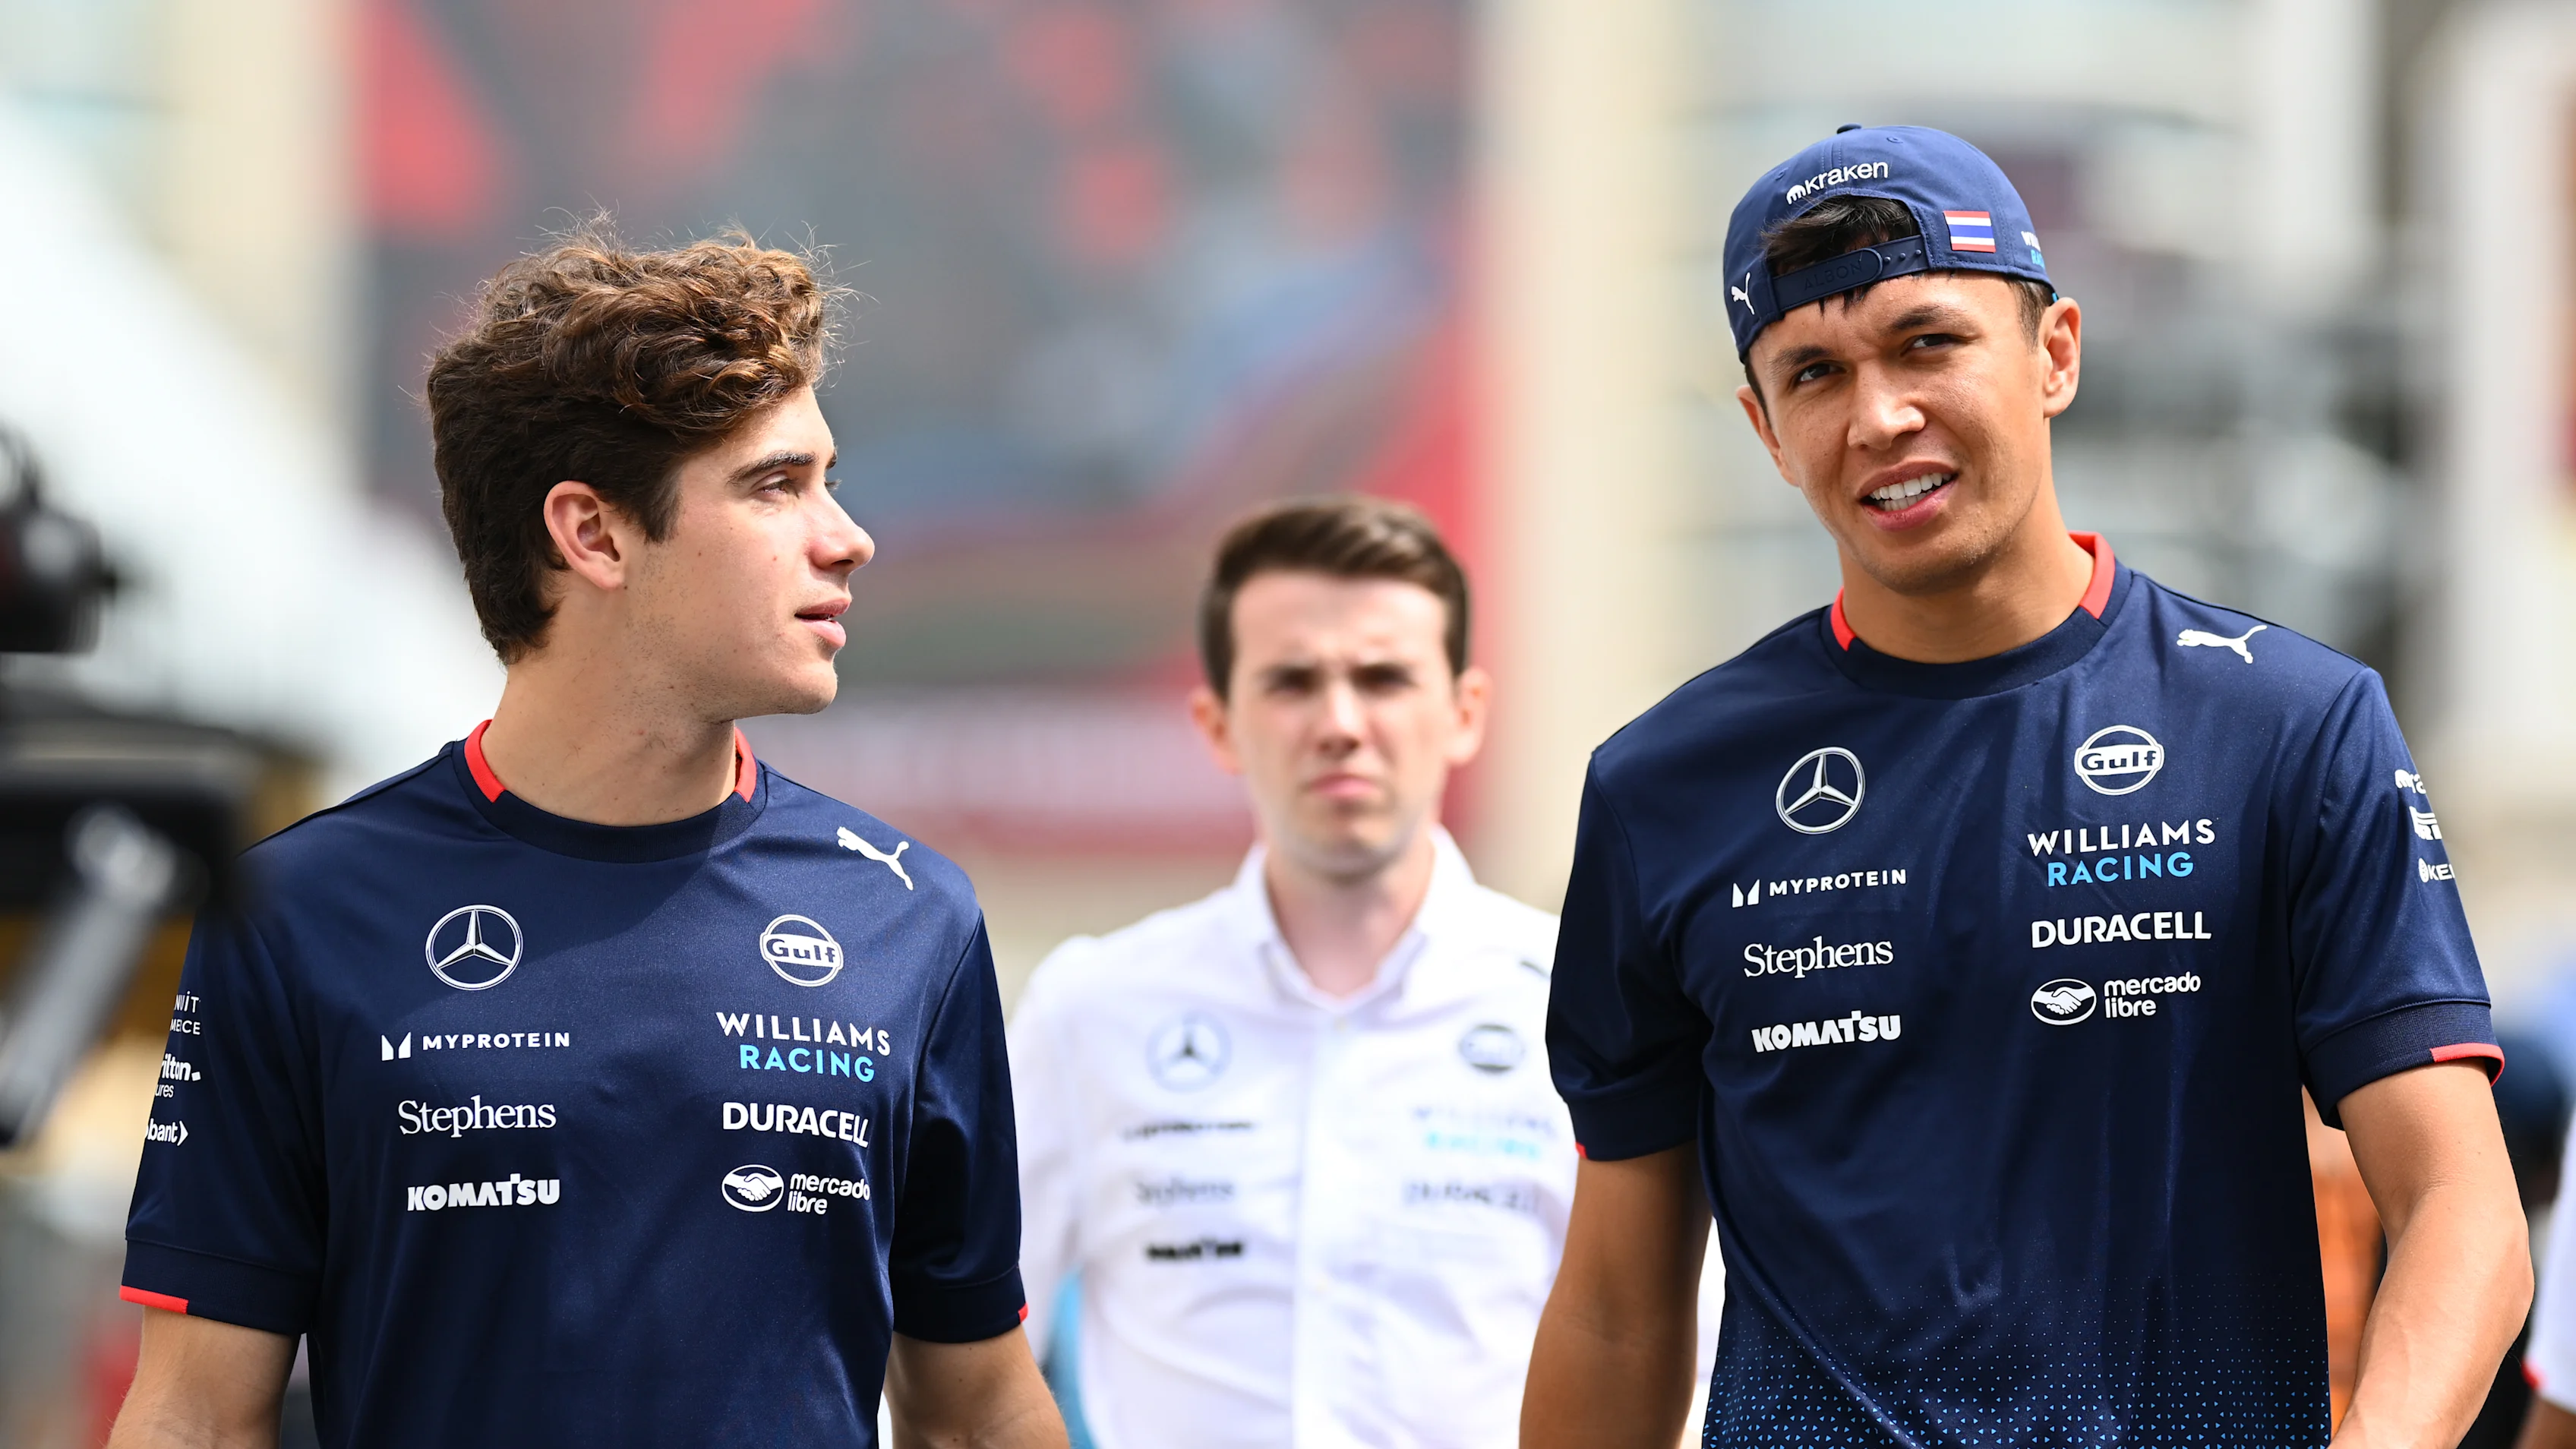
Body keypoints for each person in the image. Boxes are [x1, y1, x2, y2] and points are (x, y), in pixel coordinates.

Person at [1522, 125, 2530, 1449]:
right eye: (1815, 373)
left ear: (2054, 353)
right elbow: (1615, 1309)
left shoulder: (2287, 725)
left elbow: (2462, 1210)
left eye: (1927, 343)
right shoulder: (1661, 787)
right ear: (1765, 429)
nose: (1880, 416)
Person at [107, 230, 1065, 1449]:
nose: (846, 537)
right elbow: (196, 1419)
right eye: (776, 486)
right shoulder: (295, 911)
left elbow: (976, 1417)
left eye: (827, 479)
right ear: (594, 535)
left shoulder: (911, 917)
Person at [1008, 498, 1572, 1447]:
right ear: (1217, 723)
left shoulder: (1582, 1003)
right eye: (1292, 682)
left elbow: (1684, 1358)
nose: (1339, 723)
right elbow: (960, 1358)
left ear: (1464, 713)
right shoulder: (1088, 1010)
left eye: (1383, 678)